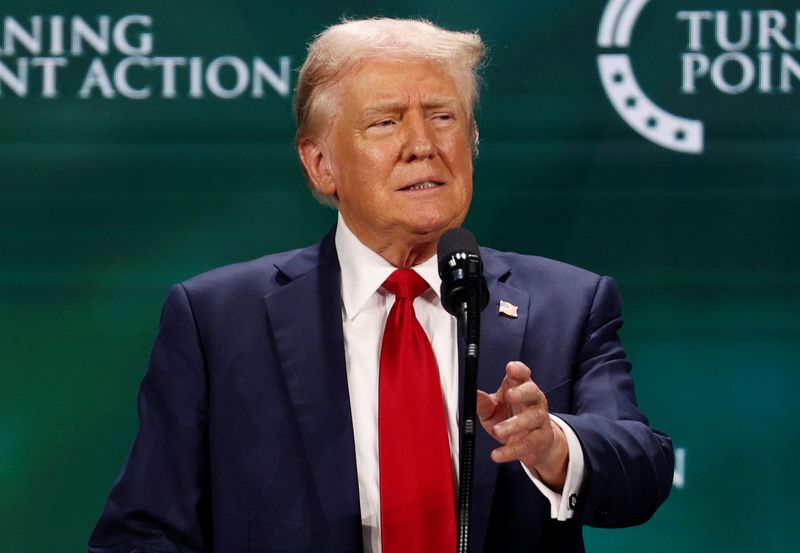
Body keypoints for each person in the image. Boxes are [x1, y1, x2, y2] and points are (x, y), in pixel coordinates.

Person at [89, 18, 673, 553]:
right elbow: (144, 532)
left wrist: (553, 448)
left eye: (443, 117)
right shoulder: (218, 319)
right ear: (321, 163)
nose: (422, 144)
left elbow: (643, 468)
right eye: (386, 121)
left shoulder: (567, 303)